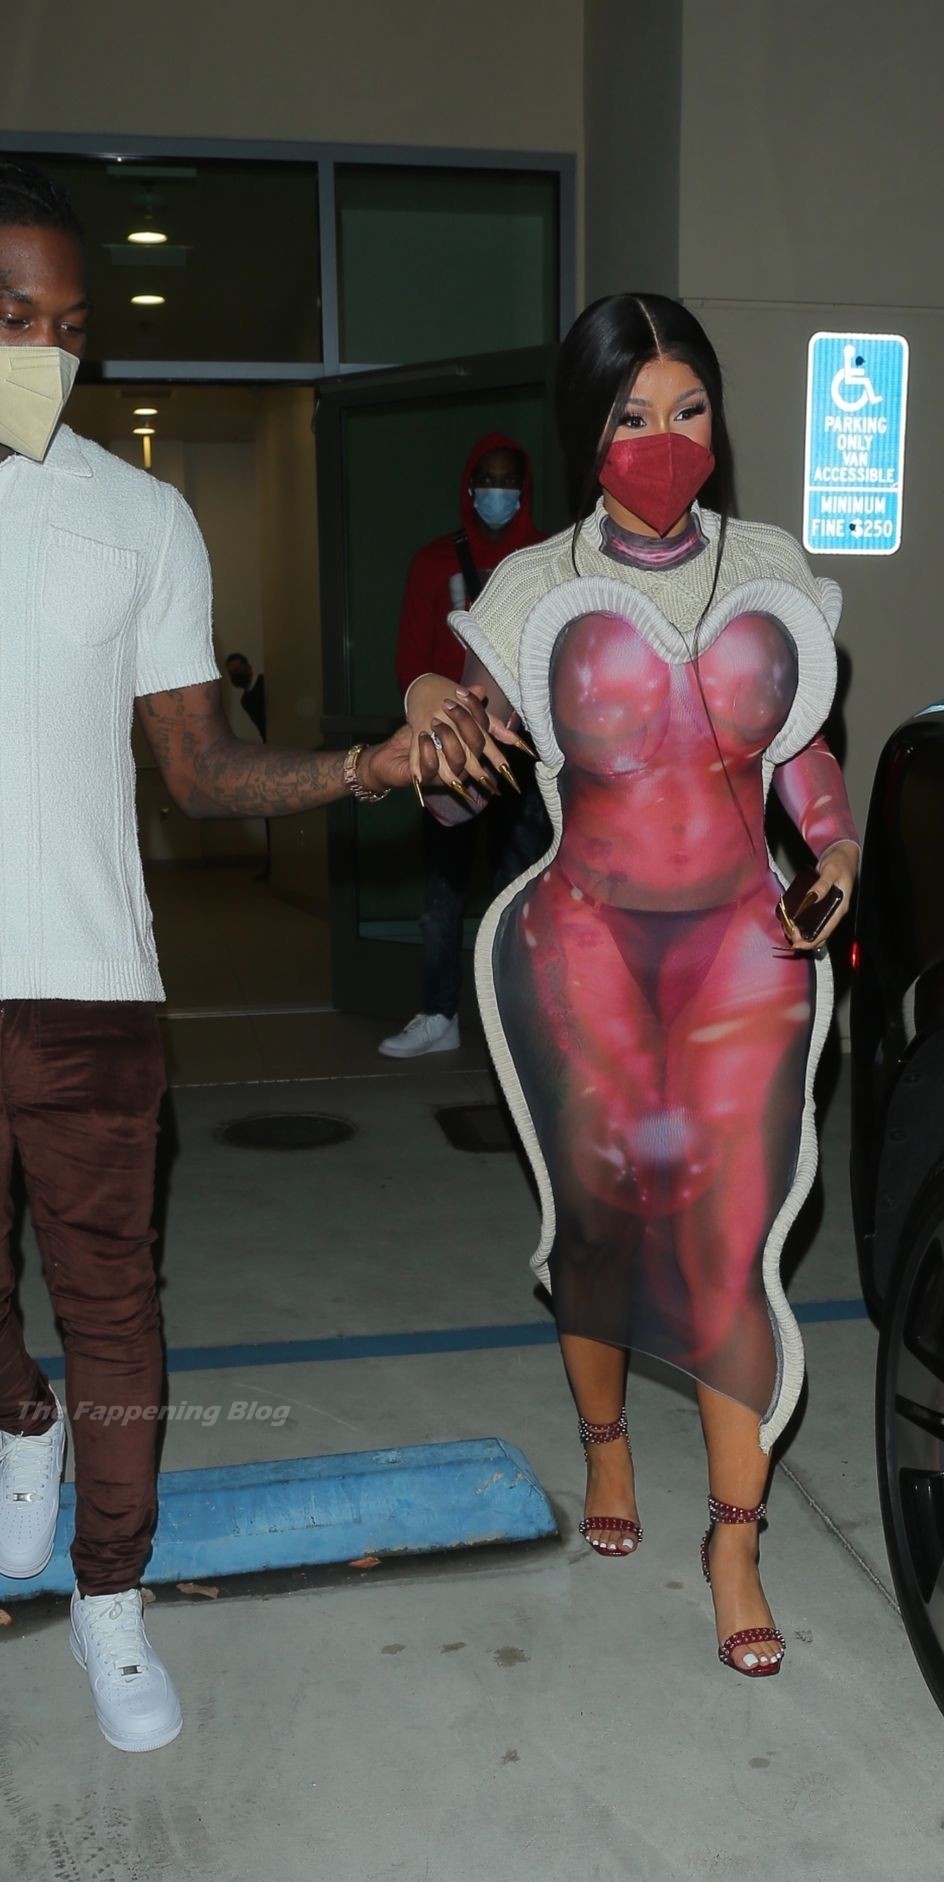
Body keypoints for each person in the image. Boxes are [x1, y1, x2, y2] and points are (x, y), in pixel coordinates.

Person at [0, 159, 420, 1754]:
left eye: (71, 321)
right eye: (12, 314)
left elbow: (200, 767)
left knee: (117, 1300)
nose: (49, 346)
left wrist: (362, 766)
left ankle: (112, 1593)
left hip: (99, 994)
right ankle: (21, 1421)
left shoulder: (138, 515)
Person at [407, 293, 859, 1677]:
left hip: (744, 948)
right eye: (631, 414)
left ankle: (735, 1541)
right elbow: (454, 793)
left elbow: (801, 751)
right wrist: (430, 716)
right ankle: (605, 1448)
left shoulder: (769, 566)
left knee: (733, 1247)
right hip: (582, 945)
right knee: (598, 1227)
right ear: (584, 430)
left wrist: (836, 847)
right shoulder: (529, 588)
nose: (665, 438)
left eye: (688, 408)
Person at [380, 433, 550, 1059]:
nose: (496, 491)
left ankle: (524, 1021)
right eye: (488, 479)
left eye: (508, 480)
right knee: (442, 893)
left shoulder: (545, 562)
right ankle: (438, 1014)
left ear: (523, 489)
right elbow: (411, 662)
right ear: (469, 486)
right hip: (451, 752)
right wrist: (439, 729)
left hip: (524, 752)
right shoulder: (434, 563)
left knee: (524, 889)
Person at [223, 651, 267, 741]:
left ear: (248, 667)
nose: (235, 675)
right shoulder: (245, 700)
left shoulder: (265, 682)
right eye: (231, 673)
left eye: (237, 669)